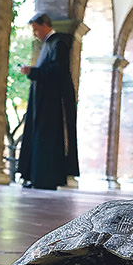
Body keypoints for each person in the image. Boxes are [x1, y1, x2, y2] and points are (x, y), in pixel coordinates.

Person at [17, 13, 80, 190]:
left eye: (36, 30)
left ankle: (46, 178)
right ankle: (36, 177)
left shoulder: (58, 43)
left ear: (45, 25)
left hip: (52, 105)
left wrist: (34, 72)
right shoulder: (48, 44)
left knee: (48, 140)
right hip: (43, 102)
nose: (35, 34)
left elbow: (57, 71)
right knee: (38, 138)